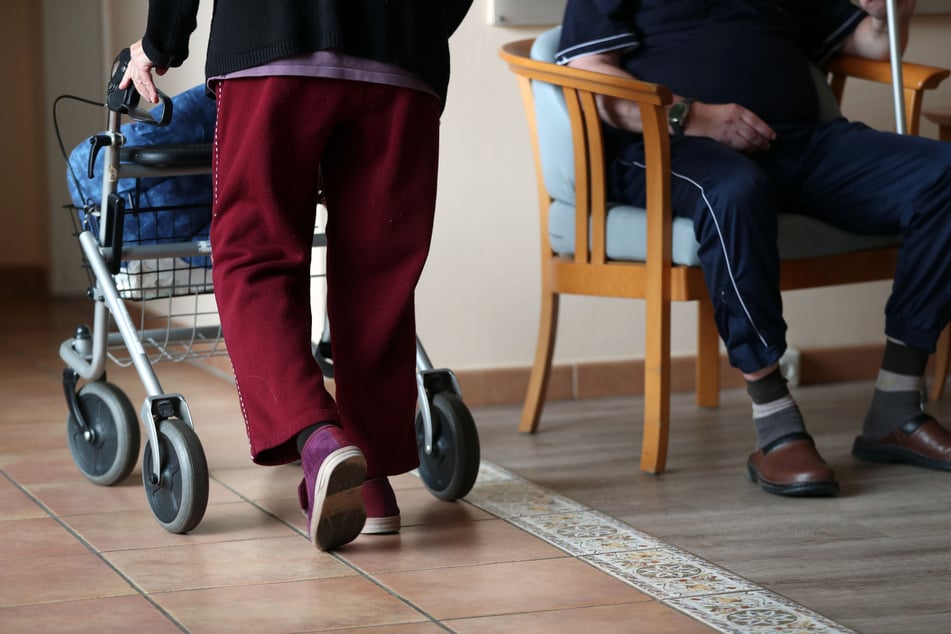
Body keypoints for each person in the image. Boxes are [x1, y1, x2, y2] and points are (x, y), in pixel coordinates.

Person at [557, 0, 951, 496]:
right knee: (735, 191)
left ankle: (897, 403)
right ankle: (775, 423)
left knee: (944, 177)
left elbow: (869, 43)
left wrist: (886, 13)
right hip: (671, 145)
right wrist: (691, 115)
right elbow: (592, 79)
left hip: (801, 142)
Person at [119, 1, 473, 549]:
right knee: (378, 278)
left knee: (253, 254)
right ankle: (372, 487)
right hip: (404, 58)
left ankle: (318, 438)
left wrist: (160, 43)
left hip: (274, 39)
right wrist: (414, 21)